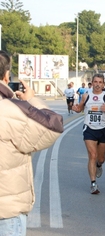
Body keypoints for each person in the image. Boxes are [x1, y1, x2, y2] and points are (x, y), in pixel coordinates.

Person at [0, 50, 63, 235]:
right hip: (6, 210)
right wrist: (31, 101)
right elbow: (53, 126)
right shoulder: (11, 110)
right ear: (6, 75)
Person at [72, 74, 105, 194]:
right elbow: (80, 108)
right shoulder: (86, 96)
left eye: (100, 82)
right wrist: (75, 108)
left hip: (103, 129)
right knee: (92, 154)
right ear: (92, 83)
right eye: (95, 82)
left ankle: (99, 164)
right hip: (89, 128)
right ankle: (93, 184)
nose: (97, 84)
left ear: (103, 84)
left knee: (101, 158)